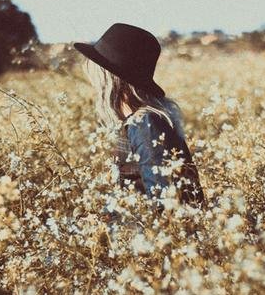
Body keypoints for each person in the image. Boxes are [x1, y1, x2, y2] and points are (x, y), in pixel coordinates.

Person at [73, 23, 206, 218]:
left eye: (98, 79)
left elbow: (168, 205)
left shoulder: (146, 124)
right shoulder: (140, 122)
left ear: (111, 82)